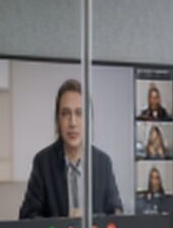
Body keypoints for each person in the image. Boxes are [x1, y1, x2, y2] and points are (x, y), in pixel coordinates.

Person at [17, 78, 123, 219]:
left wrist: (89, 220)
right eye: (66, 113)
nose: (72, 123)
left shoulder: (103, 162)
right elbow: (28, 217)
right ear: (58, 120)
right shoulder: (43, 162)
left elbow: (116, 214)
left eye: (79, 113)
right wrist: (64, 226)